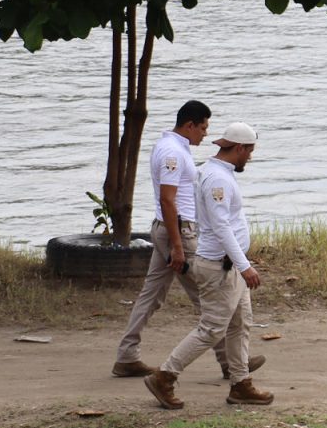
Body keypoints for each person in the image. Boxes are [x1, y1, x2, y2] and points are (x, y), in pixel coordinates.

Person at [111, 101, 264, 381]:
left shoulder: (171, 147)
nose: (205, 134)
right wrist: (178, 246)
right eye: (203, 127)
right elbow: (168, 200)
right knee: (210, 299)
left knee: (152, 295)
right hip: (177, 231)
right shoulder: (173, 152)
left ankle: (127, 355)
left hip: (166, 230)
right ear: (189, 125)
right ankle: (229, 363)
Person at [144, 122, 274, 409]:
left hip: (229, 267)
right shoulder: (218, 180)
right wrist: (245, 266)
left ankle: (240, 384)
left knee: (240, 324)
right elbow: (221, 225)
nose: (250, 157)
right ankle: (164, 376)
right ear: (238, 148)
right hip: (221, 267)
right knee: (211, 329)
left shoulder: (214, 172)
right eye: (249, 151)